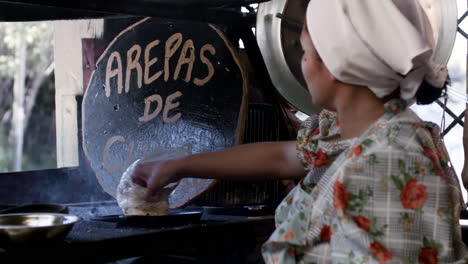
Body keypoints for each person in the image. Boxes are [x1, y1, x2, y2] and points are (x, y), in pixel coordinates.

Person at [131, 0, 468, 263]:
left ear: (337, 62)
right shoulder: (356, 132)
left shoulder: (391, 162)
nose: (301, 63)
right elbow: (282, 155)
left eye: (305, 51)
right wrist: (180, 165)